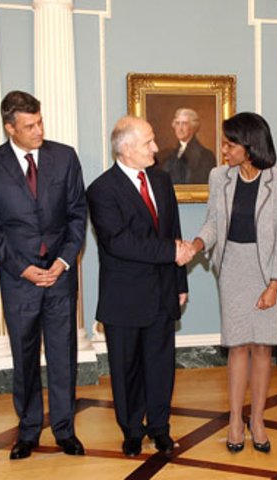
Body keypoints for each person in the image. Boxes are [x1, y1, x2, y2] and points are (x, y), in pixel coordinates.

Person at [0, 91, 87, 459]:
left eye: (40, 122)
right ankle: (27, 431)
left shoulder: (64, 157)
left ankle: (65, 430)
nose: (38, 130)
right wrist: (21, 268)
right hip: (19, 278)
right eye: (29, 126)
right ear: (10, 127)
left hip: (59, 276)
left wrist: (64, 262)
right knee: (24, 358)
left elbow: (77, 215)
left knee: (63, 355)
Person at [191, 112, 277, 453]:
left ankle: (258, 420)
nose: (223, 149)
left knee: (263, 347)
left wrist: (274, 285)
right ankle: (236, 420)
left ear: (249, 147)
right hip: (233, 267)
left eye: (229, 143)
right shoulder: (218, 176)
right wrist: (197, 244)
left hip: (267, 273)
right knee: (237, 346)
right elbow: (212, 223)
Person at [87, 116, 189, 458]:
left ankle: (160, 428)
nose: (156, 148)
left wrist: (180, 280)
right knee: (126, 370)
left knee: (161, 367)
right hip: (125, 298)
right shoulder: (102, 190)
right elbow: (119, 242)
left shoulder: (161, 180)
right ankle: (131, 431)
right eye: (148, 142)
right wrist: (173, 252)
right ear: (126, 148)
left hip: (162, 292)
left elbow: (171, 229)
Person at [161, 108, 216, 184]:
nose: (180, 128)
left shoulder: (206, 156)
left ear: (193, 127)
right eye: (177, 123)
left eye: (184, 124)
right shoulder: (167, 156)